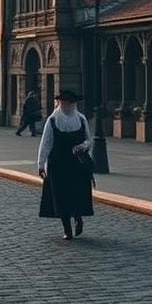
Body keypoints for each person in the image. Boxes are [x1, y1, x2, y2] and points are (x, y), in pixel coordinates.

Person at [37, 90, 94, 240]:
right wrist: (41, 164)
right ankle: (67, 229)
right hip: (58, 164)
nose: (67, 105)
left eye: (70, 103)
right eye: (64, 103)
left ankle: (78, 217)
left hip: (76, 164)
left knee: (77, 193)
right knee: (60, 196)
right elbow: (46, 143)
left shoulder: (81, 119)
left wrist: (83, 146)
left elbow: (89, 140)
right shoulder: (53, 120)